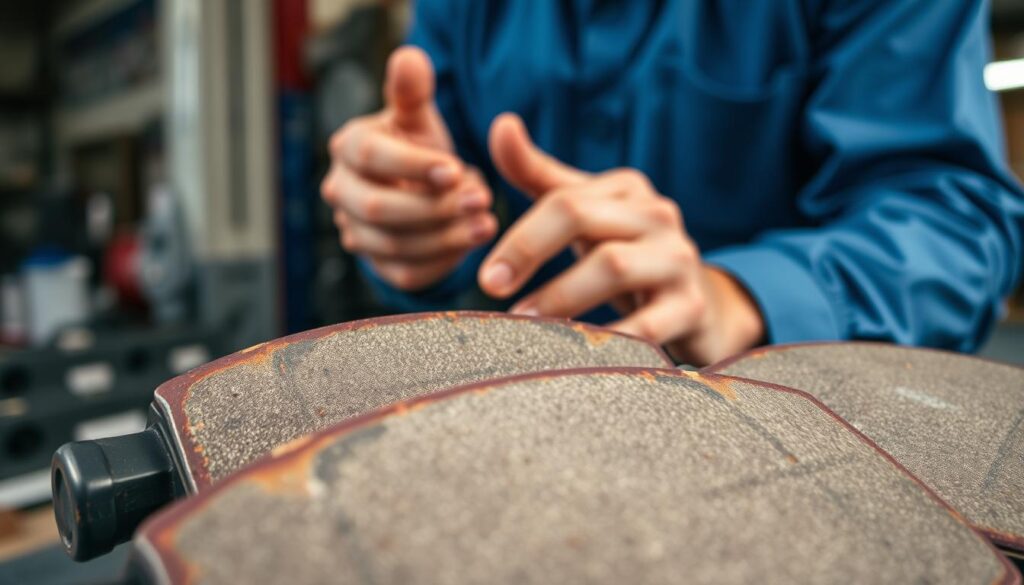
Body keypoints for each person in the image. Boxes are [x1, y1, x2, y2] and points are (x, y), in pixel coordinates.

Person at [320, 1, 1024, 366]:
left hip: (808, 442)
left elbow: (956, 220)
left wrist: (740, 299)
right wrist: (412, 226)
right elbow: (444, 188)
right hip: (534, 425)